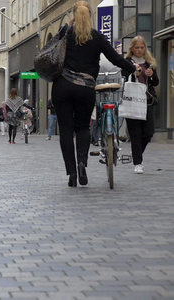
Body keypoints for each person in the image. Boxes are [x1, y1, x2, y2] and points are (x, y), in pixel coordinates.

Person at [51, 1, 140, 187]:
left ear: (73, 16)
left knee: (66, 131)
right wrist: (133, 68)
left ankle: (72, 174)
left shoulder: (65, 32)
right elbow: (115, 58)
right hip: (85, 89)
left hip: (62, 87)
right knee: (83, 127)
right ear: (90, 16)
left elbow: (51, 53)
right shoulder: (96, 36)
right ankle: (82, 162)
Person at [121, 36, 159, 174]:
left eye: (142, 47)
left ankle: (137, 155)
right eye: (137, 47)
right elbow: (123, 77)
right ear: (131, 49)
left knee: (148, 132)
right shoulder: (127, 62)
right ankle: (138, 162)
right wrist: (133, 71)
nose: (139, 50)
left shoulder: (149, 63)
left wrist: (151, 74)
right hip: (132, 100)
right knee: (135, 133)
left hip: (146, 100)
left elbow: (156, 82)